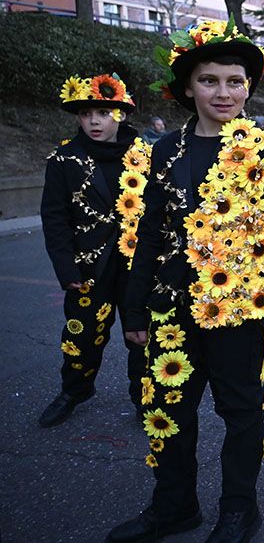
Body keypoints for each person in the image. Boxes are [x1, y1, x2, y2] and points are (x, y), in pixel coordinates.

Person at [107, 18, 264, 543]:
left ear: (248, 86)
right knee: (169, 411)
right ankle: (174, 506)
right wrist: (133, 311)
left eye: (235, 81)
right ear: (188, 86)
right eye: (210, 80)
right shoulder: (164, 151)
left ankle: (239, 508)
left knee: (240, 411)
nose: (224, 92)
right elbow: (149, 234)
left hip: (236, 307)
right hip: (172, 307)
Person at [38, 72, 148, 427]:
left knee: (141, 335)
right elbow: (54, 217)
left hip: (138, 265)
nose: (94, 121)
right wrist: (65, 267)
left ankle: (142, 397)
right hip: (87, 268)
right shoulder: (63, 159)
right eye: (86, 114)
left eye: (103, 113)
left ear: (123, 113)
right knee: (81, 335)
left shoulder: (146, 155)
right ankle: (74, 390)